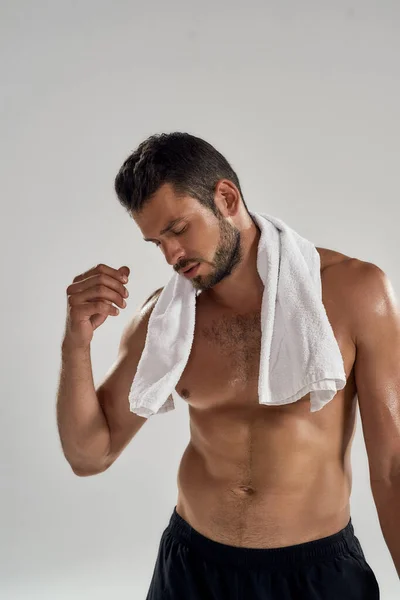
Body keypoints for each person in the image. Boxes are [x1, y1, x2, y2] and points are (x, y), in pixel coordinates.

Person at [57, 132, 400, 598]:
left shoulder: (354, 293)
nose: (171, 255)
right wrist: (76, 341)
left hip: (314, 574)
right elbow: (89, 454)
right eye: (156, 242)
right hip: (192, 569)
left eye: (178, 229)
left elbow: (393, 468)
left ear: (226, 198)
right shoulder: (166, 320)